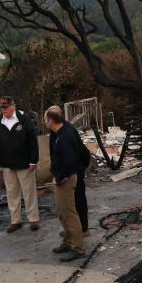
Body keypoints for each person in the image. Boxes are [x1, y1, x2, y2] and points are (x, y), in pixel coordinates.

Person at [0, 96, 40, 233]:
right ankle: (15, 220)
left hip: (24, 162)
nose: (4, 110)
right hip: (7, 163)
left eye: (6, 107)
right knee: (12, 193)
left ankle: (33, 219)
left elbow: (33, 141)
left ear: (13, 106)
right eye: (2, 108)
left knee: (28, 192)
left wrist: (33, 160)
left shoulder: (24, 120)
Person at [45, 106, 84, 261]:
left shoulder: (65, 137)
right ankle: (68, 241)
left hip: (66, 180)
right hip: (61, 178)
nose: (45, 122)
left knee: (69, 213)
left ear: (51, 120)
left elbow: (70, 162)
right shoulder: (59, 134)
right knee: (62, 212)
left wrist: (59, 177)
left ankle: (78, 247)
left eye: (46, 119)